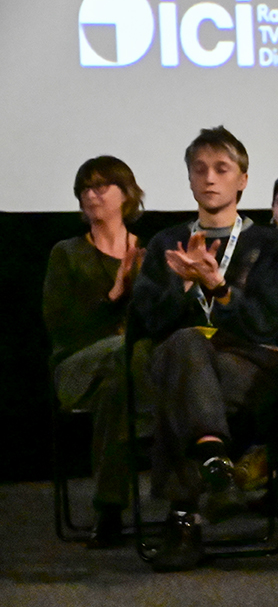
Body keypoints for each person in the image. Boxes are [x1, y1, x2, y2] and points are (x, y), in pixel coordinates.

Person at [132, 126, 278, 572]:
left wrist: (219, 287)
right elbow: (147, 322)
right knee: (184, 349)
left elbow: (266, 324)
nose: (209, 178)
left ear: (243, 180)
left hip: (250, 361)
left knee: (181, 384)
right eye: (199, 169)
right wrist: (183, 285)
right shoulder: (166, 243)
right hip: (184, 360)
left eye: (222, 169)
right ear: (188, 179)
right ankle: (213, 456)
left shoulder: (269, 244)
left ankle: (183, 520)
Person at [43, 156, 145, 548]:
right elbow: (62, 326)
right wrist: (114, 297)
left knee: (121, 379)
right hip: (77, 365)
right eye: (85, 188)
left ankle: (110, 509)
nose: (91, 195)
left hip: (126, 373)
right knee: (126, 354)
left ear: (126, 195)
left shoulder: (146, 253)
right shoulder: (67, 253)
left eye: (101, 186)